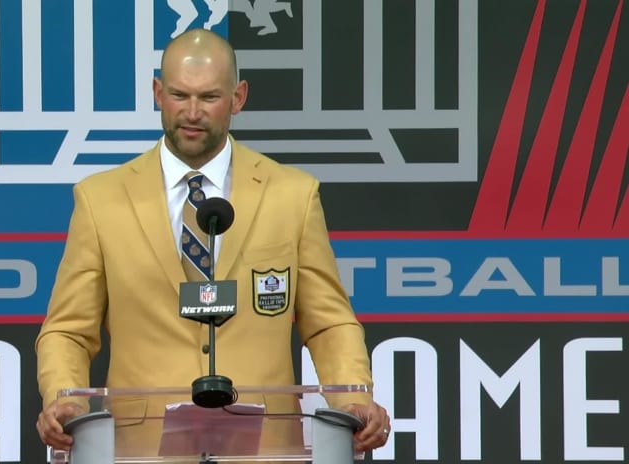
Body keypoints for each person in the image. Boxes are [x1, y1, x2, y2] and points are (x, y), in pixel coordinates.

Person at [35, 28, 390, 455]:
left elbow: (329, 321)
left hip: (266, 449)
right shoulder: (100, 200)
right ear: (157, 92)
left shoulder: (292, 195)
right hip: (139, 451)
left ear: (238, 97)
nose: (191, 112)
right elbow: (68, 330)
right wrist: (65, 397)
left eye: (209, 98)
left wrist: (352, 396)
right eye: (179, 95)